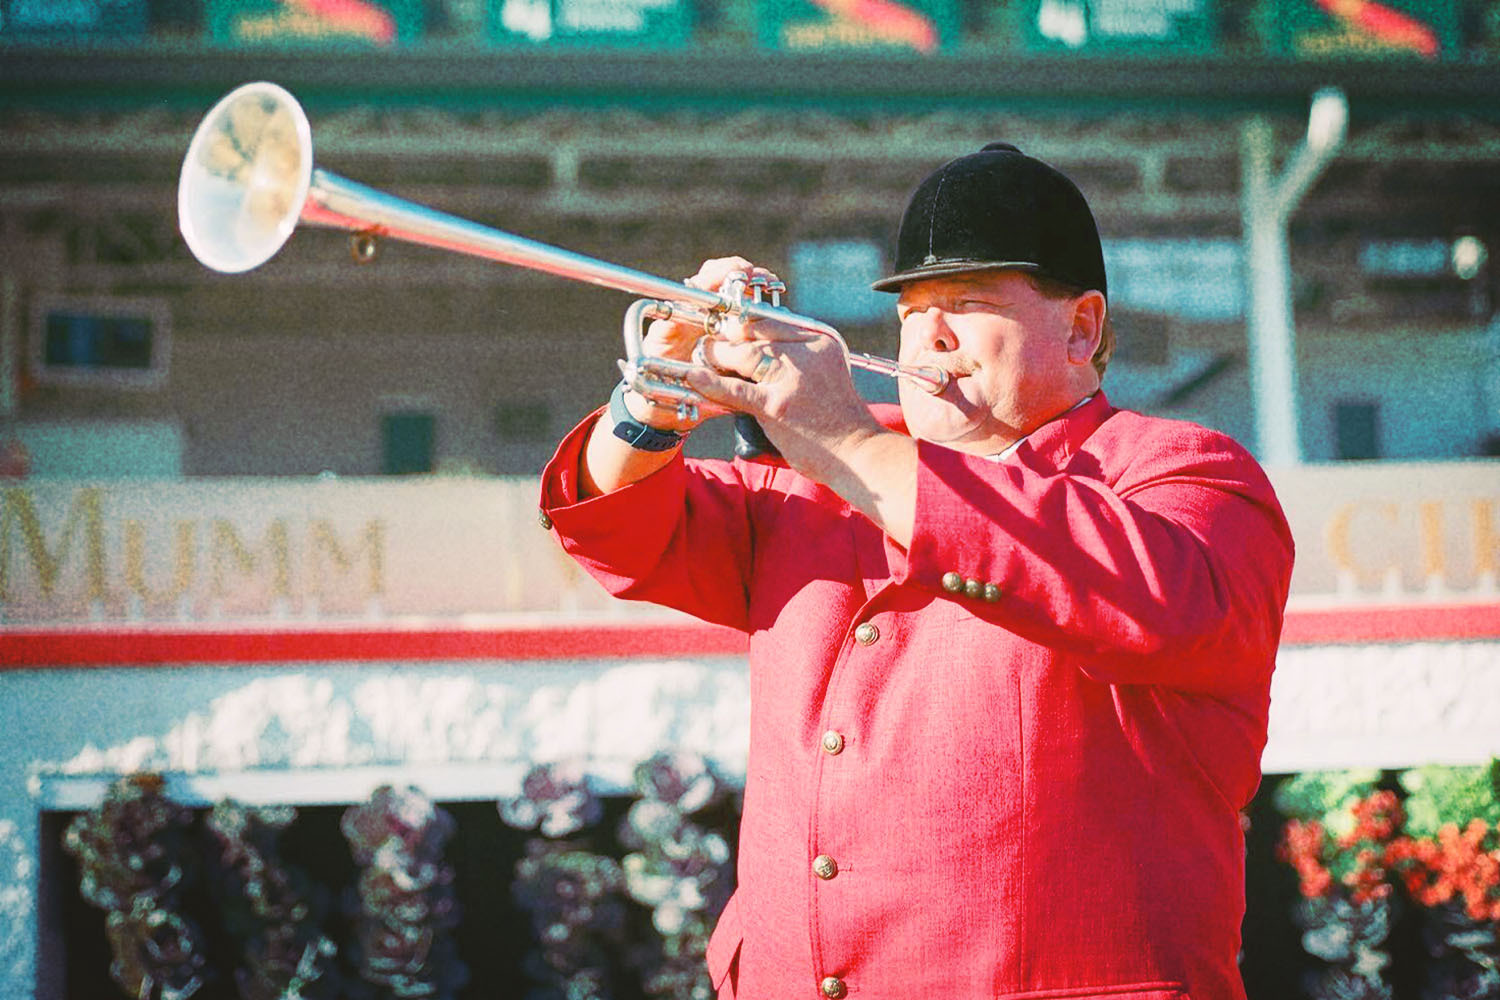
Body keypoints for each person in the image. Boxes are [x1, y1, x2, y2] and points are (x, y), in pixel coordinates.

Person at [539, 142, 1294, 1000]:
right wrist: (658, 394)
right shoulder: (825, 479)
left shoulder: (1184, 470)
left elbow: (1153, 601)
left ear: (1082, 327)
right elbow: (616, 525)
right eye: (911, 309)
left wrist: (846, 440)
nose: (929, 335)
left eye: (967, 304)